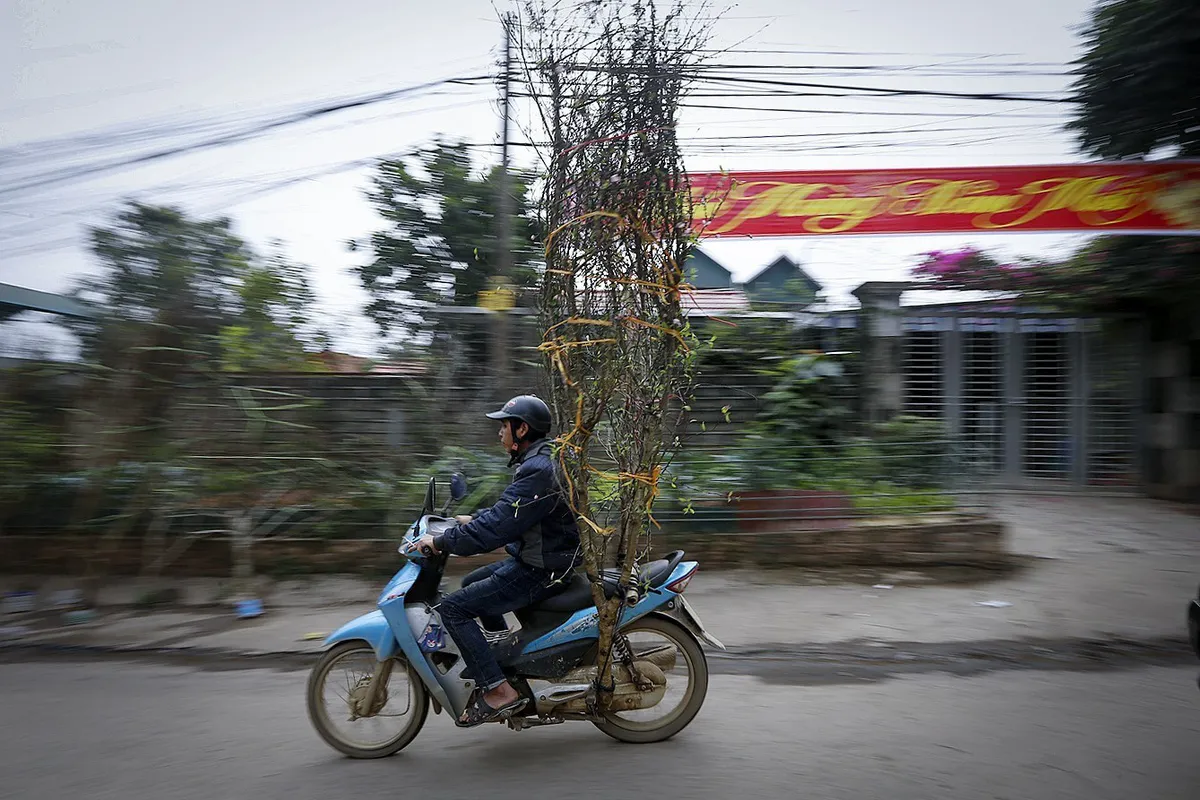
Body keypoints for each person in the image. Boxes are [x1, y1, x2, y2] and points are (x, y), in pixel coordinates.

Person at [416, 394, 581, 728]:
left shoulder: (538, 469)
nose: (500, 433)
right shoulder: (538, 462)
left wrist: (442, 541)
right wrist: (471, 519)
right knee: (470, 584)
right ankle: (505, 666)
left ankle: (498, 690)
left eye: (504, 425)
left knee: (452, 610)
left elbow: (497, 529)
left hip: (542, 568)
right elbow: (509, 513)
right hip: (543, 558)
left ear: (522, 429)